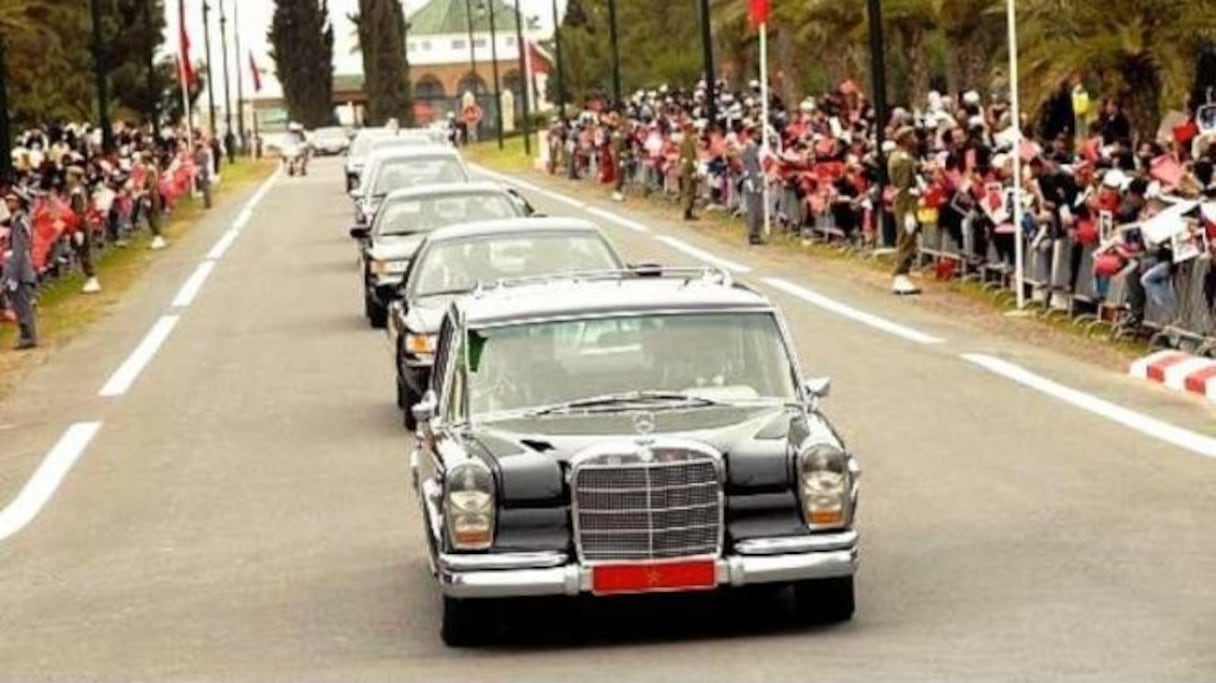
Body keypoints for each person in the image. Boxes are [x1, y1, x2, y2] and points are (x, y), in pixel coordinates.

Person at [4, 186, 38, 350]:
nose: (8, 202)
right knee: (21, 304)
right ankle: (27, 335)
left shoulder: (18, 222)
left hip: (20, 268)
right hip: (22, 266)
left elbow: (18, 251)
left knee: (22, 305)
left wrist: (12, 275)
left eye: (12, 200)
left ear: (19, 202)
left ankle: (28, 337)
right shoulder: (21, 219)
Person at [889, 126, 922, 295]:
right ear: (905, 139)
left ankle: (902, 273)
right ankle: (900, 274)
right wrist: (910, 209)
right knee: (906, 238)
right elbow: (904, 187)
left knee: (907, 237)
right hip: (906, 203)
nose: (915, 139)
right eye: (912, 136)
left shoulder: (902, 156)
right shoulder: (902, 159)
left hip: (905, 201)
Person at [741, 122, 765, 245]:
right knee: (754, 209)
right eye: (757, 133)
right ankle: (753, 234)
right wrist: (755, 182)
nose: (759, 135)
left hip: (755, 180)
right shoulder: (749, 148)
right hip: (752, 181)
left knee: (758, 209)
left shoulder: (753, 147)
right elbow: (751, 167)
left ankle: (756, 232)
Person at [678, 119, 699, 220]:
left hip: (686, 166)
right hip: (688, 167)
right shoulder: (688, 140)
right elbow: (690, 156)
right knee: (689, 190)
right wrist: (694, 169)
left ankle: (688, 210)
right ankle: (687, 211)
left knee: (690, 189)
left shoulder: (687, 139)